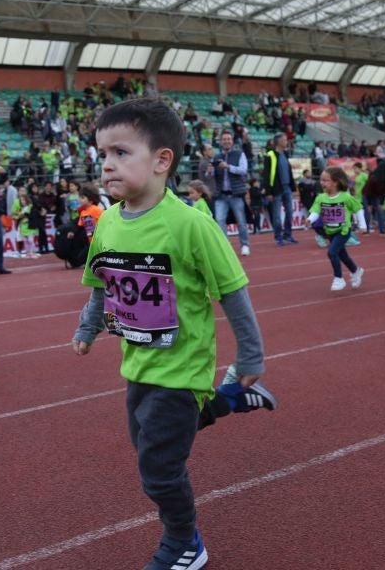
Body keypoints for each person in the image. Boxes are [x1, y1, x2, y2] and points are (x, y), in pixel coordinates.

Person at [71, 99, 276, 570]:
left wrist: (250, 356)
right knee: (145, 440)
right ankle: (231, 400)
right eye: (102, 154)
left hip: (183, 366)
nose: (106, 164)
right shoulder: (106, 223)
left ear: (162, 160)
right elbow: (102, 284)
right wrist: (88, 326)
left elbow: (233, 292)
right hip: (138, 361)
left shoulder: (190, 224)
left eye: (121, 152)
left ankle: (185, 542)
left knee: (158, 470)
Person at [305, 167, 366, 291]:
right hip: (330, 231)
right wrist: (310, 219)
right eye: (321, 180)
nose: (322, 183)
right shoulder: (321, 198)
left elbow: (358, 208)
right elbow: (316, 211)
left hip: (343, 231)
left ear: (336, 182)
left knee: (332, 252)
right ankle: (356, 271)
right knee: (342, 255)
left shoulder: (345, 197)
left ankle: (338, 278)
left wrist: (363, 225)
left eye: (325, 180)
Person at [212, 129, 251, 256]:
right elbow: (211, 175)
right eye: (224, 139)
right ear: (220, 142)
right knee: (219, 221)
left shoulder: (240, 154)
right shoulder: (216, 157)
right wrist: (209, 170)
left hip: (236, 194)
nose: (226, 141)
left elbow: (244, 170)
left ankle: (244, 245)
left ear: (232, 141)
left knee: (241, 221)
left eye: (228, 139)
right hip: (221, 195)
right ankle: (226, 246)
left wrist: (228, 167)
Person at [261, 133, 298, 246]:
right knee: (276, 215)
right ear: (279, 142)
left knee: (290, 212)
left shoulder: (285, 154)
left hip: (287, 188)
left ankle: (287, 234)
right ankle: (278, 236)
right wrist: (268, 192)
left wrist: (293, 186)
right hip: (276, 189)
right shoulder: (270, 155)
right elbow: (266, 174)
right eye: (285, 140)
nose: (287, 142)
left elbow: (289, 171)